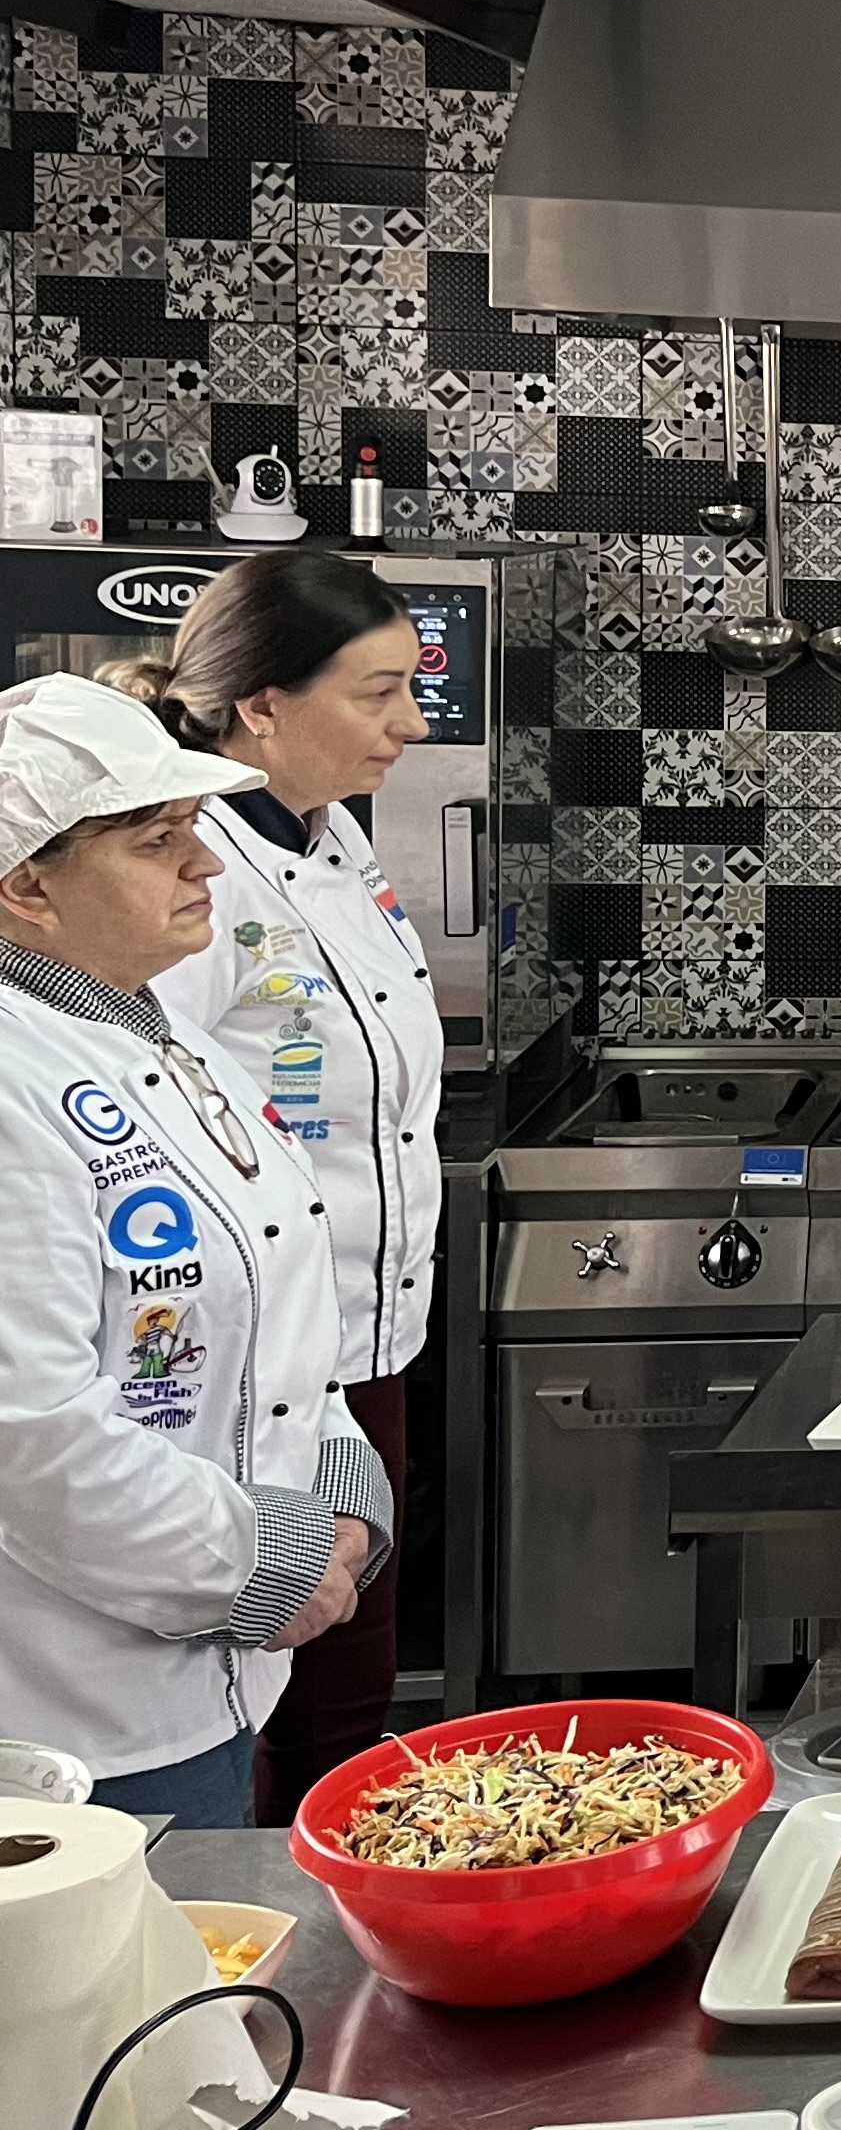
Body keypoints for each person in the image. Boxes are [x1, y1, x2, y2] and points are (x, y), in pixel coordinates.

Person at [0, 675, 386, 1829]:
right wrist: (262, 1561)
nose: (206, 861)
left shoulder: (161, 1037)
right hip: (71, 1722)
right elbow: (31, 1436)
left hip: (214, 1676)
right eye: (156, 840)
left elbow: (278, 1317)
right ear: (26, 886)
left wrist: (337, 1496)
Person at [123, 553, 446, 1822]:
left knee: (344, 1676)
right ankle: (276, 1903)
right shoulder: (190, 871)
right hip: (250, 1351)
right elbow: (157, 1112)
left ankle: (321, 1894)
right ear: (262, 706)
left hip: (365, 1333)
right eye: (377, 693)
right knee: (279, 1684)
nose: (411, 723)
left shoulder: (332, 838)